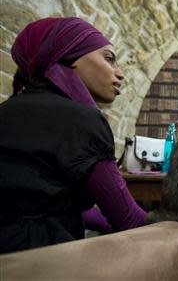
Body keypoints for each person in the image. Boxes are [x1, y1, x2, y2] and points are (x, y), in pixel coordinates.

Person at [0, 17, 149, 254]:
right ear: (68, 56)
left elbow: (47, 205)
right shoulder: (83, 121)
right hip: (45, 263)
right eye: (109, 58)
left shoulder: (7, 111)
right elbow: (128, 220)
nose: (119, 73)